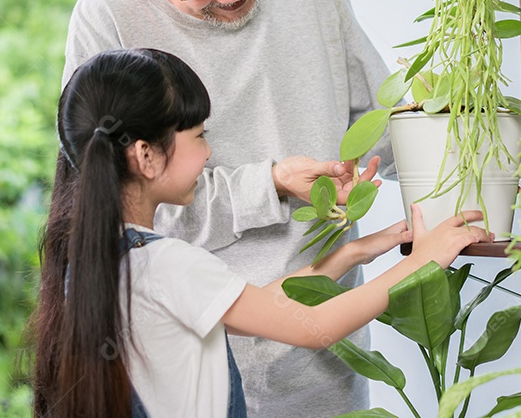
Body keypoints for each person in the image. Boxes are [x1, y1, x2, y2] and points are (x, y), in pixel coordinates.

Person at [61, 0, 394, 416]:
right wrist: (266, 183)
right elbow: (124, 200)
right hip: (195, 368)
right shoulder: (105, 21)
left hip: (327, 358)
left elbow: (383, 129)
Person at [32, 49, 491, 418]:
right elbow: (315, 329)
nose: (209, 153)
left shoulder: (103, 261)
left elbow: (263, 305)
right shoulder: (169, 263)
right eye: (199, 136)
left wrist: (353, 253)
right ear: (146, 156)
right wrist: (422, 261)